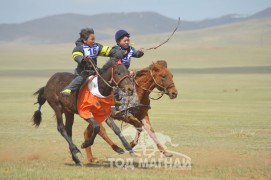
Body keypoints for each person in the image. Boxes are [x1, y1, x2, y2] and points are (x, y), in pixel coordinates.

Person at [61, 28, 123, 95]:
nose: (94, 41)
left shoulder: (96, 47)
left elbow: (107, 50)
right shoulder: (79, 48)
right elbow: (76, 55)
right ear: (85, 40)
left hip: (94, 71)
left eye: (94, 39)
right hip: (83, 71)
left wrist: (118, 53)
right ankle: (69, 89)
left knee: (107, 77)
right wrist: (83, 59)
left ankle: (113, 98)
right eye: (92, 39)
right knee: (81, 78)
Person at [112, 29, 144, 107]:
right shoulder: (115, 49)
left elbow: (136, 54)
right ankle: (115, 102)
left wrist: (140, 53)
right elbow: (115, 62)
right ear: (118, 42)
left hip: (125, 71)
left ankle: (131, 102)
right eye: (124, 41)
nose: (127, 42)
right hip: (117, 71)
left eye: (128, 40)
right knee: (115, 87)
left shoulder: (131, 49)